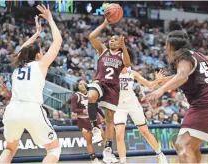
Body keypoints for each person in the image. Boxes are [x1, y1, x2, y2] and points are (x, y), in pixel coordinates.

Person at [0, 5, 63, 164]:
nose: (43, 53)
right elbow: (58, 41)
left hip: (12, 110)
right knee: (53, 149)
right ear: (37, 55)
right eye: (41, 51)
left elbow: (22, 49)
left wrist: (36, 34)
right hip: (32, 109)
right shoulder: (40, 65)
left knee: (9, 148)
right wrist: (50, 19)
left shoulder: (18, 66)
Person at [145, 30, 208, 163]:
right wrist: (165, 80)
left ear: (168, 45)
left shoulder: (180, 57)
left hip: (205, 101)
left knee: (183, 144)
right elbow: (204, 68)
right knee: (193, 147)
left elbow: (183, 75)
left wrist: (160, 90)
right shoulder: (197, 55)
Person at [87, 18, 131, 163]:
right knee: (91, 95)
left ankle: (108, 150)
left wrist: (124, 47)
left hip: (113, 87)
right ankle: (95, 128)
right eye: (110, 39)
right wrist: (105, 24)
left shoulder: (121, 55)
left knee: (110, 120)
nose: (111, 41)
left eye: (115, 40)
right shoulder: (103, 50)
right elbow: (91, 37)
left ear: (119, 43)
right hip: (100, 82)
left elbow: (128, 64)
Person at [114, 67, 167, 164]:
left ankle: (160, 154)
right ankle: (123, 161)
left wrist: (158, 80)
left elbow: (150, 85)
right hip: (118, 107)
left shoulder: (133, 73)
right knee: (119, 135)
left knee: (145, 131)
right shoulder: (112, 72)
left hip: (133, 104)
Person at [70, 79, 104, 164]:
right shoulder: (76, 96)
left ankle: (107, 154)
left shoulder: (92, 94)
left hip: (94, 118)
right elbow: (74, 109)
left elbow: (97, 107)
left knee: (103, 137)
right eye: (80, 84)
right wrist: (82, 111)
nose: (82, 85)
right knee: (89, 141)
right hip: (83, 120)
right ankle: (93, 159)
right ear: (77, 86)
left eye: (83, 83)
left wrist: (103, 116)